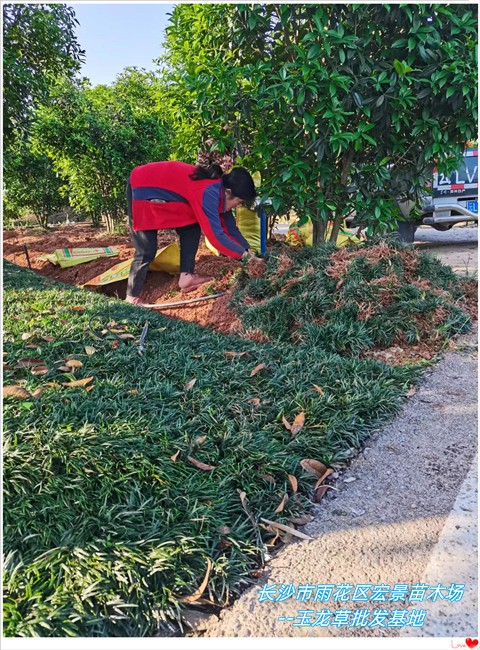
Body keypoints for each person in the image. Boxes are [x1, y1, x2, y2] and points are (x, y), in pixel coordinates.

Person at [125, 161, 260, 305]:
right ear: (228, 193)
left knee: (191, 227)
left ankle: (186, 277)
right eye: (239, 202)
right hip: (141, 186)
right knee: (146, 250)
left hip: (162, 192)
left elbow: (230, 228)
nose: (238, 206)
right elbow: (216, 238)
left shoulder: (220, 190)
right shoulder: (209, 192)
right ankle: (131, 297)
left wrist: (248, 250)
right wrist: (245, 257)